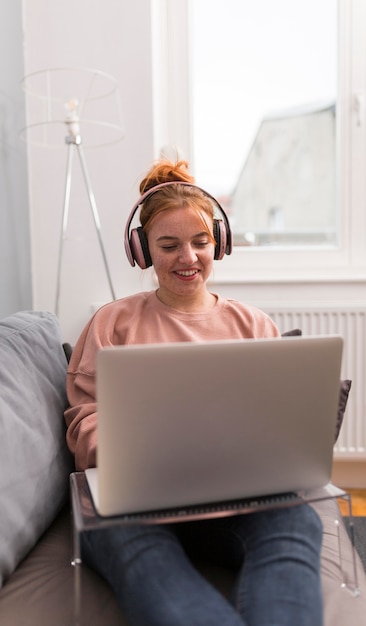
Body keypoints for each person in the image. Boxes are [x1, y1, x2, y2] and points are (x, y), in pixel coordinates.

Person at [64, 159, 323, 626]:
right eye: (169, 245)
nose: (188, 258)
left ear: (218, 244)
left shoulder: (254, 324)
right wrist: (134, 454)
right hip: (134, 504)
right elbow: (85, 422)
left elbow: (280, 419)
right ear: (142, 251)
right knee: (135, 550)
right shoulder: (111, 323)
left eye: (200, 242)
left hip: (237, 500)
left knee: (297, 521)